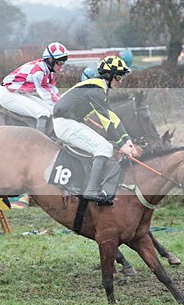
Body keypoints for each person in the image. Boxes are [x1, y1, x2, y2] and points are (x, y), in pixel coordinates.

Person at [52, 55, 140, 204]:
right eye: (119, 77)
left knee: (103, 146)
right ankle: (91, 190)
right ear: (109, 75)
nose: (120, 81)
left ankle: (87, 184)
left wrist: (128, 141)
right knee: (104, 147)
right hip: (65, 124)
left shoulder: (99, 88)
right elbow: (107, 122)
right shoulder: (96, 90)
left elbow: (114, 118)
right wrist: (121, 145)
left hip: (70, 122)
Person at [0, 42, 68, 133]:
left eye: (63, 63)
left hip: (19, 93)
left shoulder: (48, 72)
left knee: (51, 111)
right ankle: (39, 140)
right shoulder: (39, 72)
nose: (61, 66)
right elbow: (47, 96)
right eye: (59, 63)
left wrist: (64, 103)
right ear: (50, 60)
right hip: (8, 95)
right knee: (43, 113)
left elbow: (54, 93)